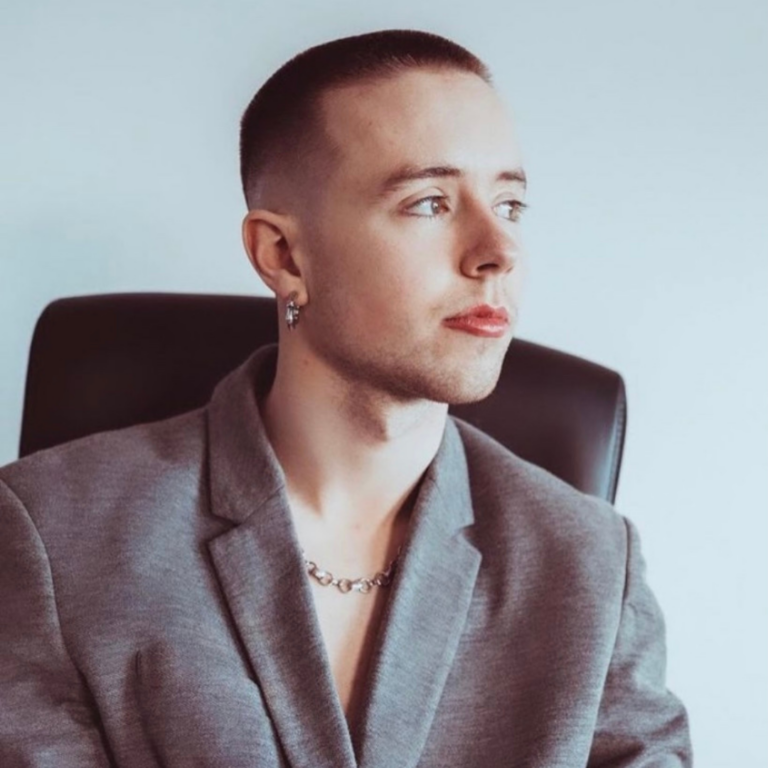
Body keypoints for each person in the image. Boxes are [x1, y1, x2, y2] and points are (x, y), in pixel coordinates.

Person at [0, 29, 691, 767]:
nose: (499, 251)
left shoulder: (591, 566)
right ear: (283, 256)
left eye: (511, 204)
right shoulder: (51, 533)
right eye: (430, 202)